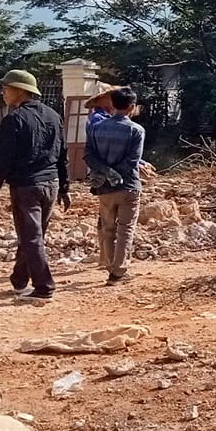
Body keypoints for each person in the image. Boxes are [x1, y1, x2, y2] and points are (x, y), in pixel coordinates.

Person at [0, 70, 70, 300]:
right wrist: (65, 188)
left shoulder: (13, 119)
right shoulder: (53, 116)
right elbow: (62, 154)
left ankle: (44, 288)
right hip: (52, 184)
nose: (3, 93)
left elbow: (1, 160)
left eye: (6, 88)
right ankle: (19, 281)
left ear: (20, 90)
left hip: (26, 187)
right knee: (34, 236)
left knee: (31, 237)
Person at [85, 86, 145, 284]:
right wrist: (116, 174)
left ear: (112, 104)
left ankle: (111, 267)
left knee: (108, 228)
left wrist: (106, 172)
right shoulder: (136, 130)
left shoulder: (96, 127)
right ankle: (118, 272)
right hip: (128, 186)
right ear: (132, 107)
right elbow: (132, 160)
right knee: (125, 228)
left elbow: (89, 156)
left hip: (104, 187)